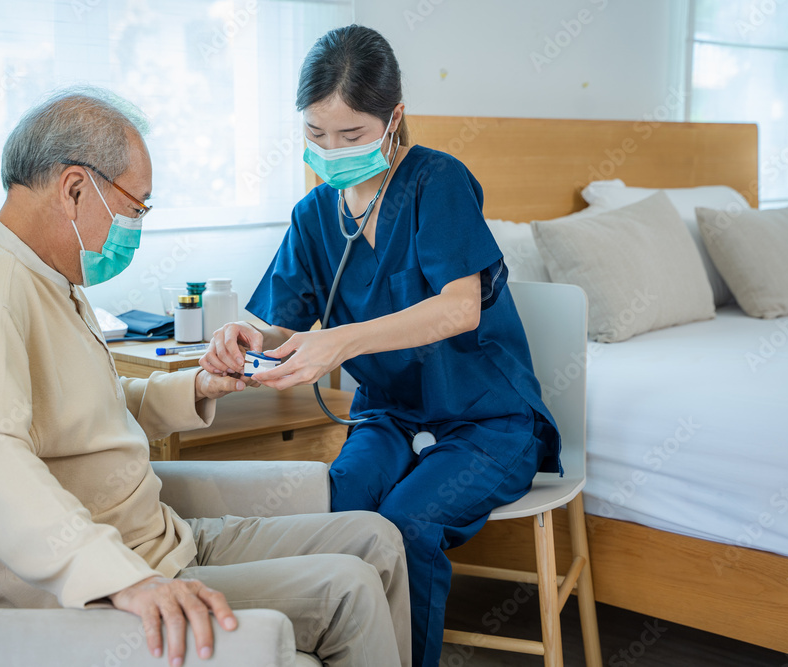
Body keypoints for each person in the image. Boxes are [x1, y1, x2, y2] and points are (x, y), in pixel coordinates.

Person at [0, 88, 411, 667]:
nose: (135, 227)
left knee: (378, 539)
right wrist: (125, 580)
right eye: (135, 207)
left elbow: (87, 408)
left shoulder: (48, 278)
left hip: (161, 540)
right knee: (347, 589)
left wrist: (197, 386)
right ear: (75, 189)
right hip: (102, 584)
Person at [200, 25, 562, 667]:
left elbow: (458, 307)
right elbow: (276, 319)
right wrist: (244, 336)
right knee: (338, 510)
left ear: (394, 118)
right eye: (316, 135)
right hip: (389, 415)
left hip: (486, 421)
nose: (332, 151)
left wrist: (337, 342)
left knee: (407, 525)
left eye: (352, 135)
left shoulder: (439, 183)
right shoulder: (315, 216)